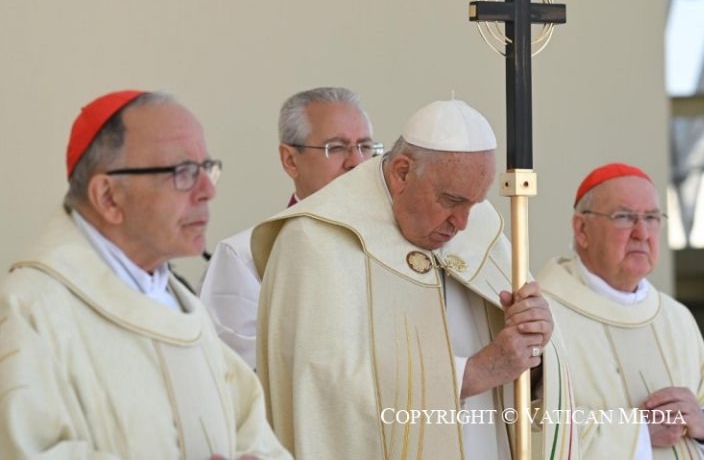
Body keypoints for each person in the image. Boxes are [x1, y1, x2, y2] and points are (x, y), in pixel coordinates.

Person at [251, 100, 578, 459]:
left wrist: (535, 346)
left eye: (474, 204)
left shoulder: (479, 230)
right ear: (402, 173)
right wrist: (473, 373)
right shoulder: (314, 240)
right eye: (450, 200)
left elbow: (522, 374)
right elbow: (323, 392)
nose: (463, 224)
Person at [0, 90, 291, 459]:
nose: (207, 191)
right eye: (183, 172)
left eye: (207, 168)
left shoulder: (182, 307)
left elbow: (251, 432)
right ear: (108, 196)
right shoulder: (29, 310)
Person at [536, 162, 704, 459]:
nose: (642, 233)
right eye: (624, 217)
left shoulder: (676, 317)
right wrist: (637, 433)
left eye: (652, 218)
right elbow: (526, 426)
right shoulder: (542, 316)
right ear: (582, 229)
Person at [199, 87, 382, 368]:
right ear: (290, 160)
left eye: (365, 147)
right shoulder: (245, 256)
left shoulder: (397, 245)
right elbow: (240, 373)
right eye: (336, 147)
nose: (356, 162)